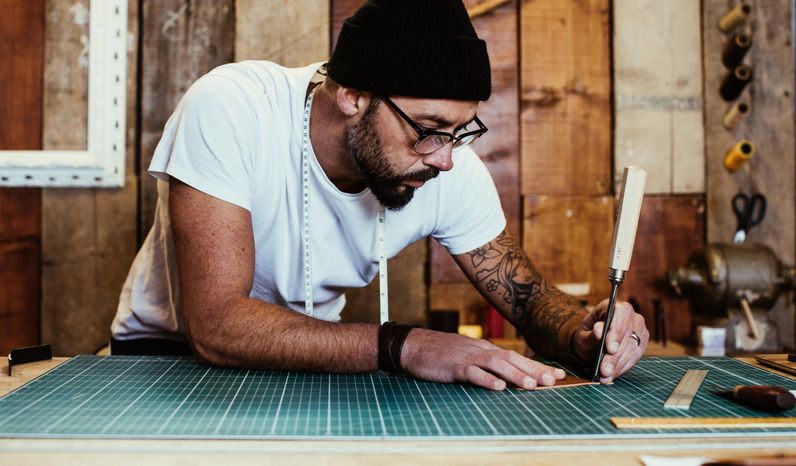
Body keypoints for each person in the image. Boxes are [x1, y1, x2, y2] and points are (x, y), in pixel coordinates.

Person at [110, 0, 648, 390]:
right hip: (166, 361)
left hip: (312, 360)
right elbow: (218, 325)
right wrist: (405, 345)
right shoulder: (233, 108)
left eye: (462, 130)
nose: (445, 157)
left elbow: (530, 304)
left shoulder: (444, 162)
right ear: (352, 96)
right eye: (431, 127)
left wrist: (584, 330)